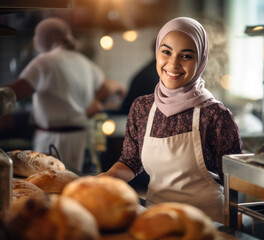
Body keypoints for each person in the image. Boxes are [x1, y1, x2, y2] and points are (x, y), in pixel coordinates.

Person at [98, 17, 243, 223]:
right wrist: (104, 179)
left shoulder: (215, 116)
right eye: (166, 52)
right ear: (157, 52)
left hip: (207, 224)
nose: (173, 64)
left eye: (186, 56)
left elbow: (234, 182)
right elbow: (130, 162)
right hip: (158, 220)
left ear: (200, 60)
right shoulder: (142, 108)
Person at [5, 17, 126, 173]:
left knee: (52, 186)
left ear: (44, 38)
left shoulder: (44, 61)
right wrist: (95, 101)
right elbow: (108, 88)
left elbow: (13, 93)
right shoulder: (85, 62)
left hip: (54, 142)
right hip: (83, 139)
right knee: (81, 186)